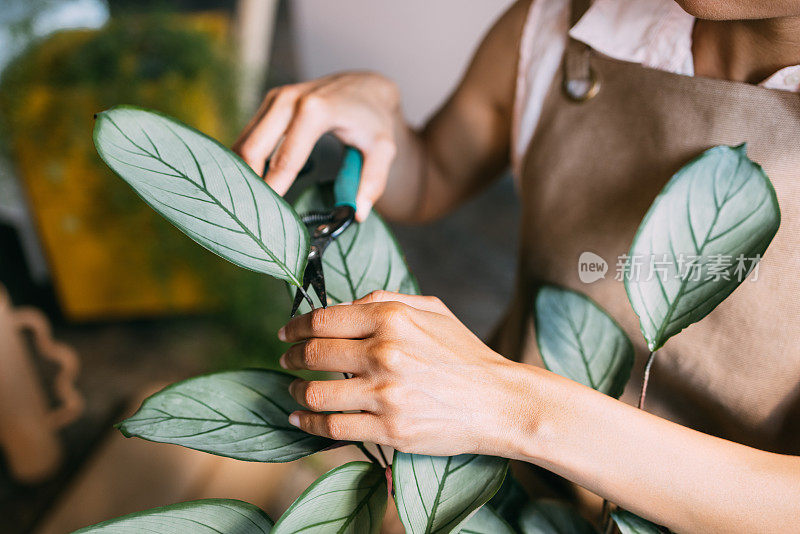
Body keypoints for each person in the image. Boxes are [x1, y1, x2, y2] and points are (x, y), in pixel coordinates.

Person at [233, 0, 800, 531]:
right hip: (490, 493)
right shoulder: (571, 24)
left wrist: (508, 405)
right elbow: (433, 175)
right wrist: (377, 120)